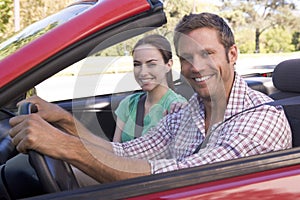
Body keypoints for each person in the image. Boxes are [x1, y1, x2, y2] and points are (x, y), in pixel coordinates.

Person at [9, 12, 292, 184]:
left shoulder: (260, 120)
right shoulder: (189, 111)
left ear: (232, 55)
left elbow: (183, 178)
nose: (196, 67)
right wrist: (65, 121)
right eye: (187, 58)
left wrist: (66, 147)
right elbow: (124, 153)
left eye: (207, 54)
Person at [113, 34, 187, 143]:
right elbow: (114, 149)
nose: (143, 72)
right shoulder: (128, 104)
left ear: (169, 65)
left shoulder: (176, 107)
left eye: (151, 64)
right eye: (137, 64)